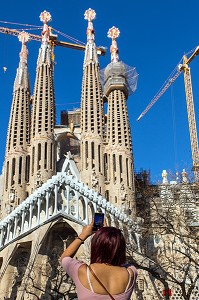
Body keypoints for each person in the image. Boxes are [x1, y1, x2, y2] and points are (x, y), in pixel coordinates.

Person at [60, 221, 137, 299]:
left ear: (96, 246)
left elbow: (64, 258)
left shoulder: (83, 271)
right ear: (121, 247)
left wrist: (84, 234)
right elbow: (122, 260)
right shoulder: (131, 273)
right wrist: (108, 234)